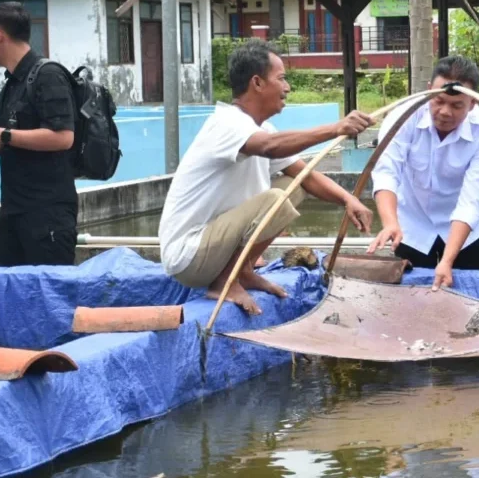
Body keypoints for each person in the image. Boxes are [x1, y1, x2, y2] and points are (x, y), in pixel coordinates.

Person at [158, 39, 374, 314]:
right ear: (257, 83)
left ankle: (243, 271)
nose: (287, 87)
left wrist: (348, 200)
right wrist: (336, 128)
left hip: (213, 249)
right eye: (281, 78)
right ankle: (225, 280)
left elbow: (305, 176)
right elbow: (270, 147)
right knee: (276, 198)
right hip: (189, 256)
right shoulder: (227, 123)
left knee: (292, 186)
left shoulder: (260, 128)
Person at [366, 56, 479, 291]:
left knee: (470, 302)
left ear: (472, 104)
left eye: (457, 105)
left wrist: (447, 261)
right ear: (428, 91)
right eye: (438, 101)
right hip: (410, 229)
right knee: (407, 304)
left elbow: (472, 200)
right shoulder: (402, 118)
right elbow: (386, 172)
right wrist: (389, 223)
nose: (445, 112)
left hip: (463, 235)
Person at [0, 2, 78, 267]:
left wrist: (3, 136)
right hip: (13, 216)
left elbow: (63, 137)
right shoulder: (12, 83)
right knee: (10, 301)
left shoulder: (48, 76)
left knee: (49, 303)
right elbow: (14, 136)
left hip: (47, 218)